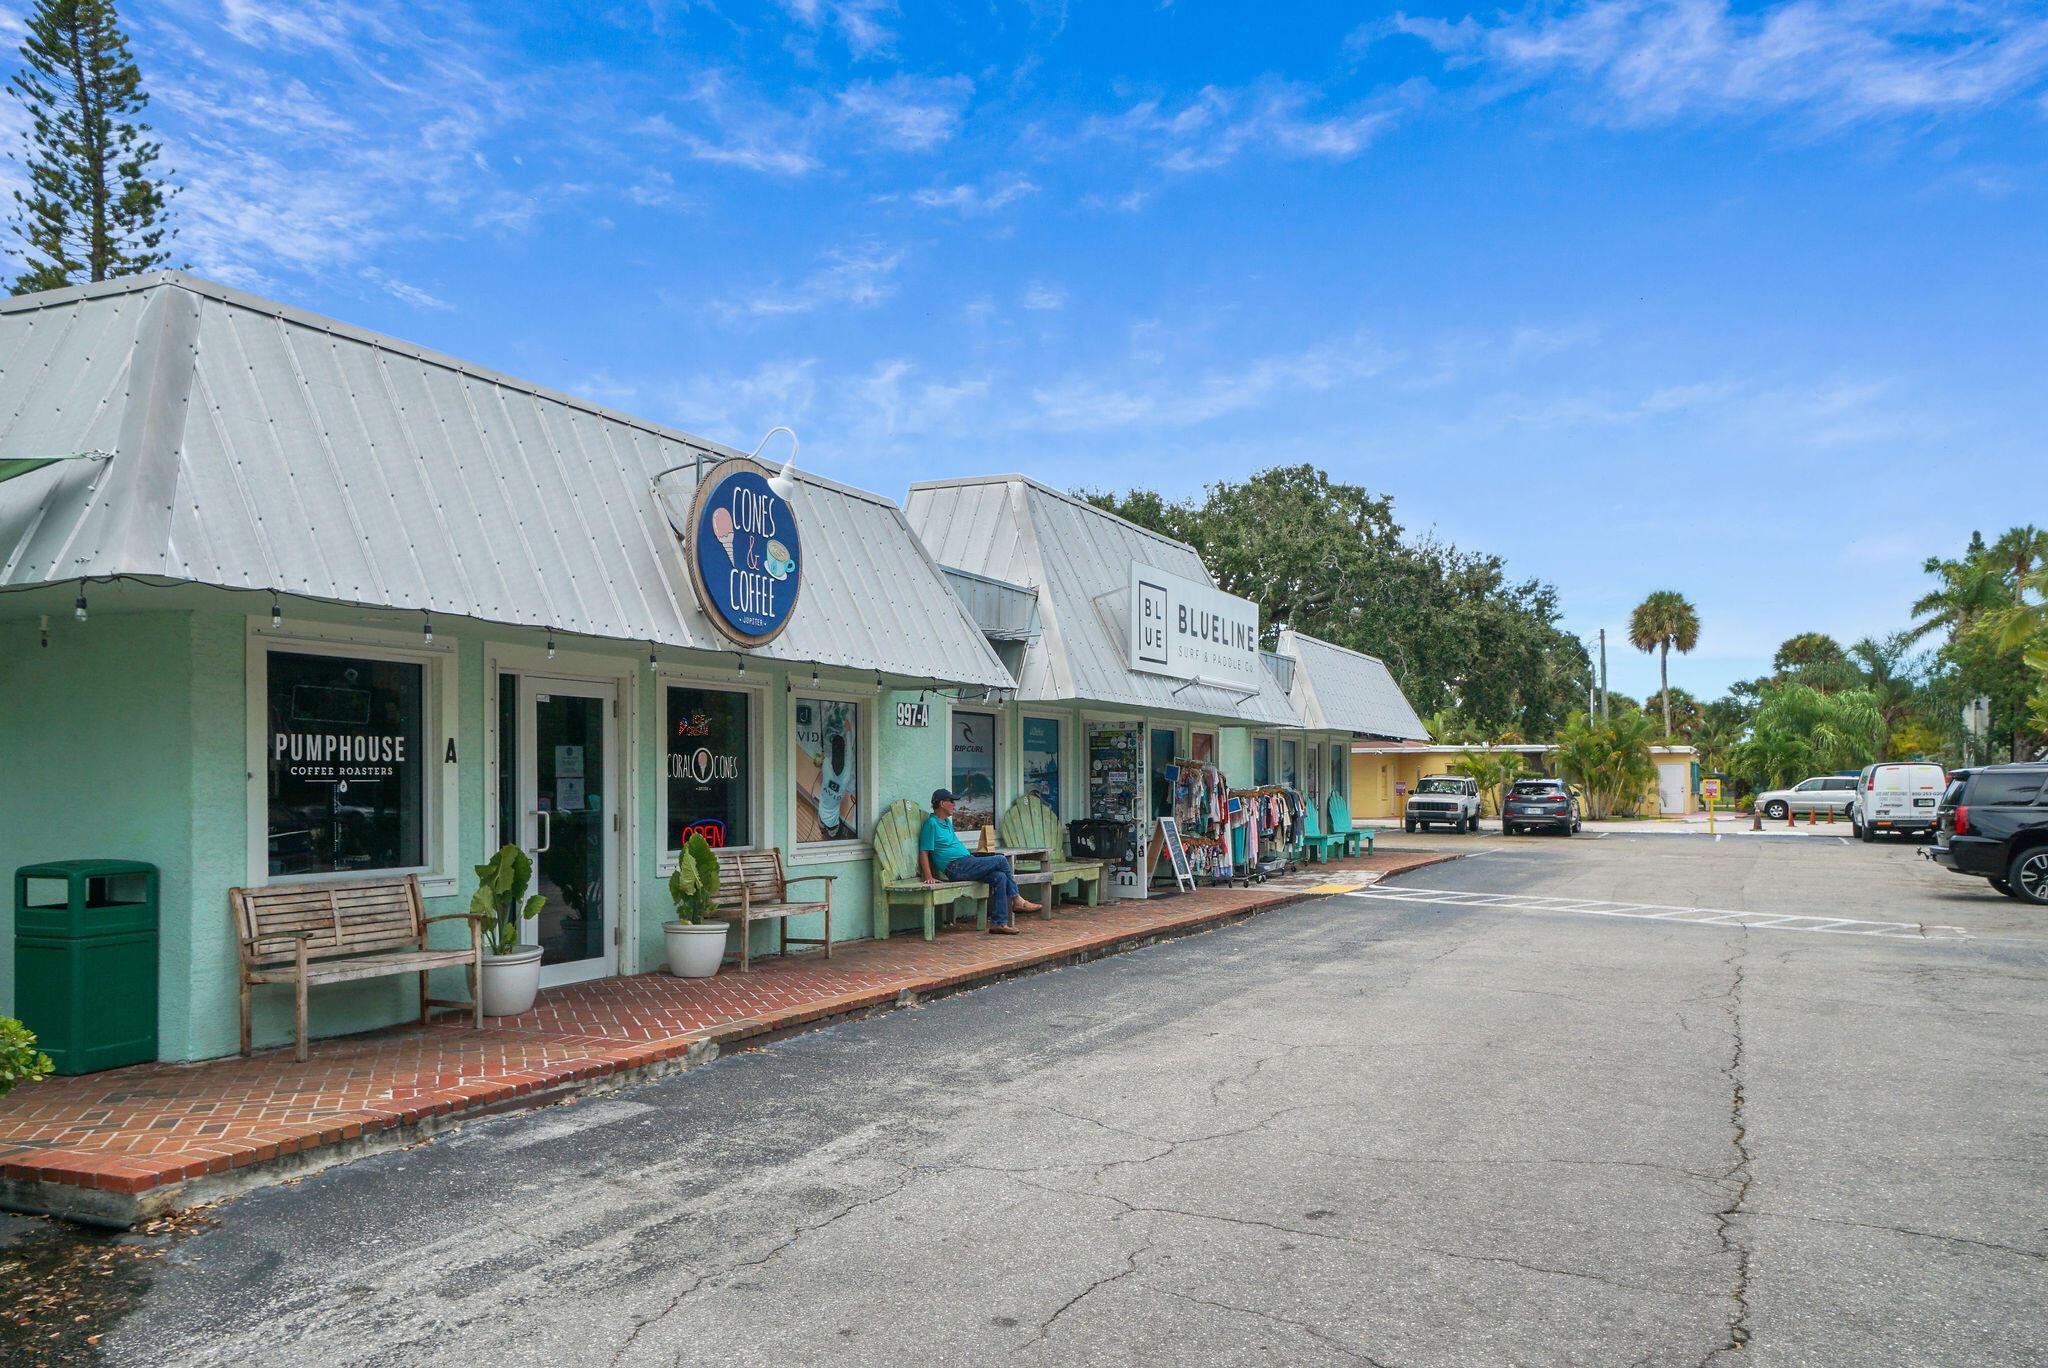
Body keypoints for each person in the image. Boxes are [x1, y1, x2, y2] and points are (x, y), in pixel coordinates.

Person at [920, 788, 1039, 933]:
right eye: (951, 802)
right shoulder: (931, 824)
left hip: (966, 863)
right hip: (956, 868)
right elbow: (924, 852)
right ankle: (1017, 899)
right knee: (1001, 860)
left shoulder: (946, 823)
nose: (954, 805)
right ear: (942, 803)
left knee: (1000, 877)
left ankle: (999, 923)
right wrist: (928, 876)